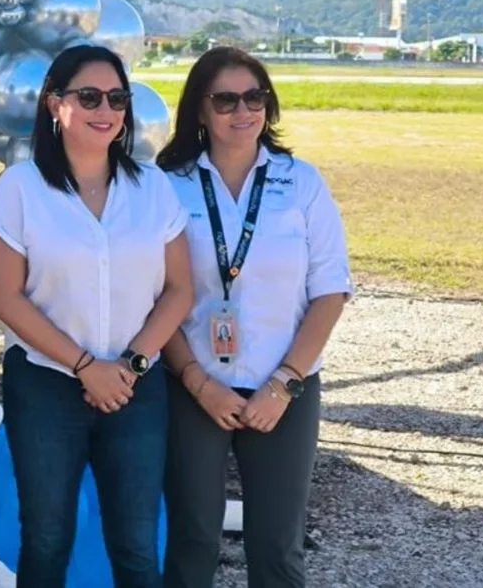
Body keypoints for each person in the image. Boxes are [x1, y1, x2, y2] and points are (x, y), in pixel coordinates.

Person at [0, 43, 195, 588]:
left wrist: (131, 364)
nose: (107, 110)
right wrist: (85, 366)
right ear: (55, 103)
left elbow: (178, 290)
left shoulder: (152, 188)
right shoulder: (20, 189)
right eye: (90, 96)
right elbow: (6, 299)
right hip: (47, 387)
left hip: (136, 387)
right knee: (48, 539)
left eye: (118, 98)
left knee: (137, 545)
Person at [155, 47, 353, 588]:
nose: (243, 111)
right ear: (199, 110)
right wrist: (198, 382)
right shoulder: (165, 183)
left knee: (277, 543)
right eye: (225, 99)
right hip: (192, 385)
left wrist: (284, 383)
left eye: (254, 97)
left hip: (283, 387)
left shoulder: (302, 182)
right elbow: (154, 297)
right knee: (193, 538)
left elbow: (330, 291)